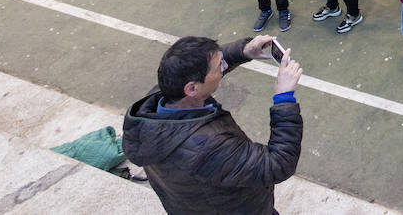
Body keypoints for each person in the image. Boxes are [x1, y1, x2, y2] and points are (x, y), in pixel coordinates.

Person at [123, 34, 302, 215]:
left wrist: (242, 51)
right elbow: (279, 163)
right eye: (220, 67)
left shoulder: (156, 101)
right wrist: (284, 98)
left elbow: (204, 66)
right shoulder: (208, 148)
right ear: (192, 88)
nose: (224, 67)